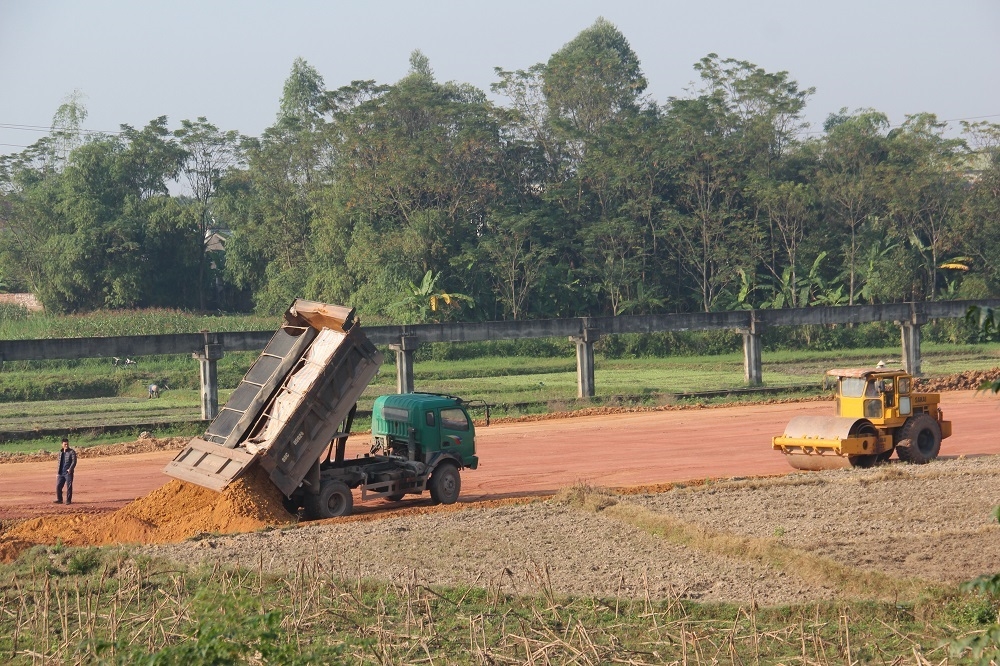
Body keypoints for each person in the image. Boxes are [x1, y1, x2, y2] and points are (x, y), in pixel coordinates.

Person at [55, 437, 77, 505]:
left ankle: (68, 500)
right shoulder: (60, 452)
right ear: (62, 444)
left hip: (68, 472)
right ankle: (59, 499)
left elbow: (74, 461)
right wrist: (58, 473)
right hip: (61, 472)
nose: (66, 446)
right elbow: (59, 463)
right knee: (58, 486)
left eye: (67, 444)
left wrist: (70, 469)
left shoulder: (72, 452)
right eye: (65, 444)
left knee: (69, 486)